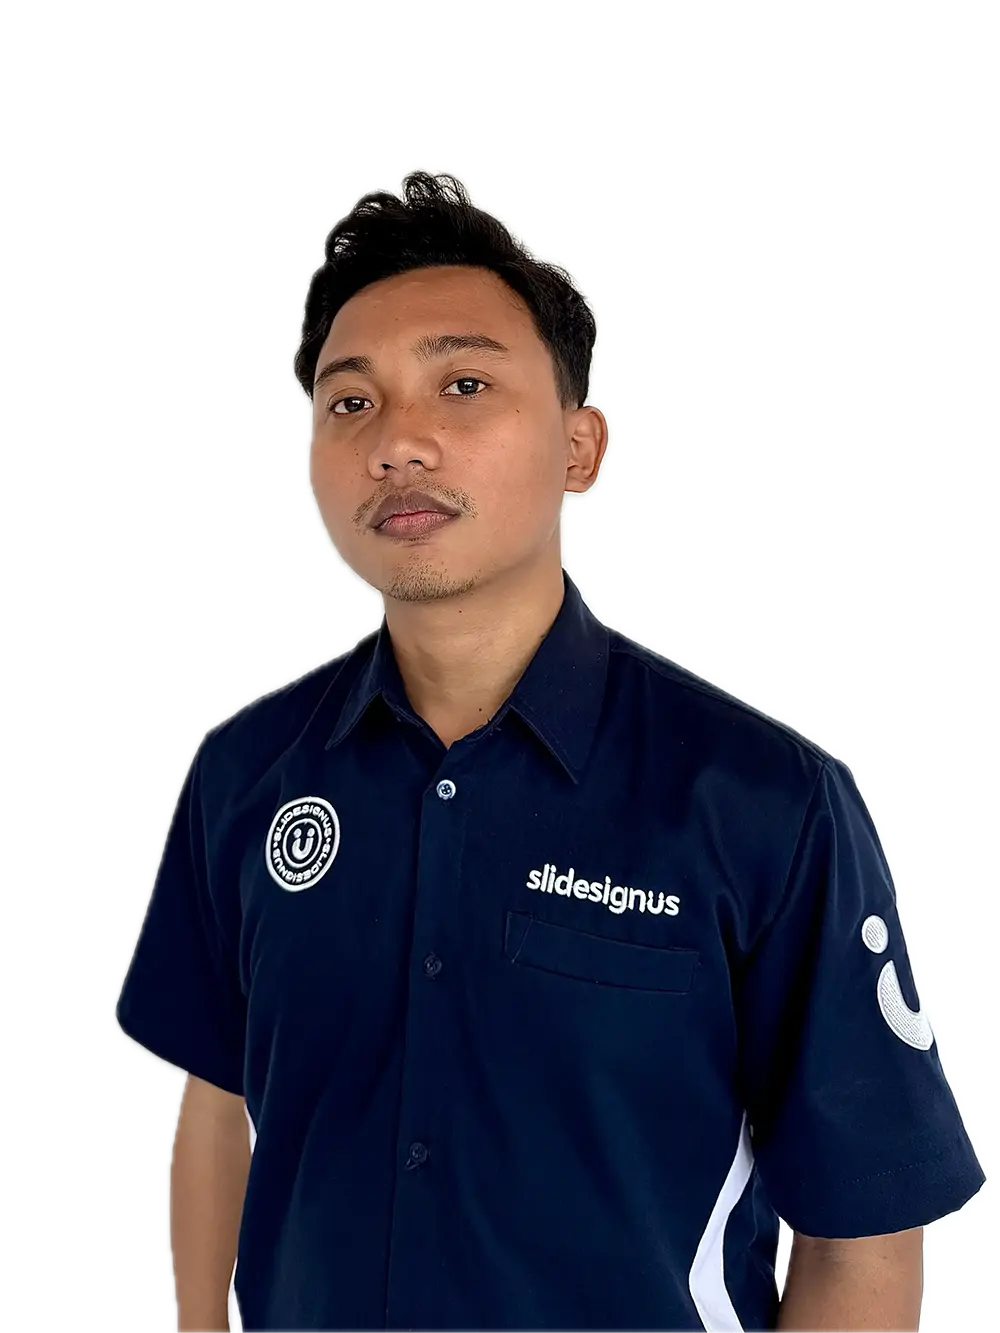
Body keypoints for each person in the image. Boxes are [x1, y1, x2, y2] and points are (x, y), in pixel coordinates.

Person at [112, 167, 985, 1333]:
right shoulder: (246, 775)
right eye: (350, 401)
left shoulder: (762, 803)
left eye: (463, 384)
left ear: (579, 447)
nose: (399, 442)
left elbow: (860, 1236)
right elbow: (219, 1098)